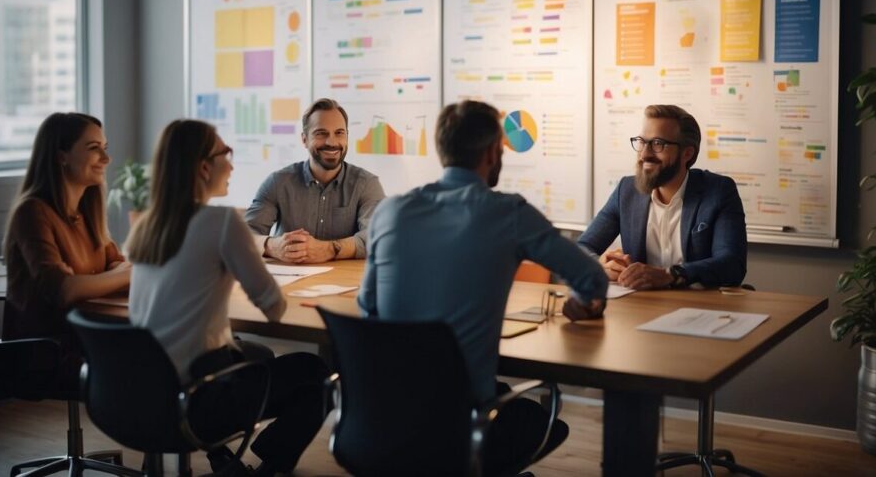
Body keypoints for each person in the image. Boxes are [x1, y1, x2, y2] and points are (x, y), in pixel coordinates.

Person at [358, 100, 608, 473]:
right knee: (543, 423)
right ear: (494, 152)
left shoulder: (391, 211)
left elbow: (368, 308)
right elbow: (592, 278)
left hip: (384, 415)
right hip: (461, 422)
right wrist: (583, 302)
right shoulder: (507, 213)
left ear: (442, 150)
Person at [127, 120, 328, 476]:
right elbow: (273, 305)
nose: (232, 165)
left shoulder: (147, 225)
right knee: (317, 372)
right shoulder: (221, 222)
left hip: (144, 393)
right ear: (204, 166)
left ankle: (227, 462)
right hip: (200, 399)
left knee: (255, 353)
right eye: (227, 154)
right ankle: (268, 465)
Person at [1, 112, 131, 393]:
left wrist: (116, 274)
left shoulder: (87, 215)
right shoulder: (32, 212)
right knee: (152, 366)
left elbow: (117, 267)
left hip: (86, 339)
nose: (106, 160)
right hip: (47, 354)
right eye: (93, 148)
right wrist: (125, 273)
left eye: (104, 148)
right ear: (61, 156)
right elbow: (64, 290)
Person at [579, 104, 747, 290]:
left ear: (687, 153)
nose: (644, 154)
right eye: (642, 142)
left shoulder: (718, 191)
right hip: (642, 307)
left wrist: (670, 275)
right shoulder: (627, 191)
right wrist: (601, 266)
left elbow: (732, 265)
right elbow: (582, 248)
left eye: (658, 144)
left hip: (701, 308)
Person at [245, 98, 385, 264]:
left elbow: (379, 238)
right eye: (321, 133)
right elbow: (242, 236)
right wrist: (271, 245)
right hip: (289, 284)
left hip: (346, 285)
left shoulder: (366, 184)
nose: (332, 142)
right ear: (304, 139)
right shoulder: (277, 183)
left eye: (339, 133)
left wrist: (329, 249)